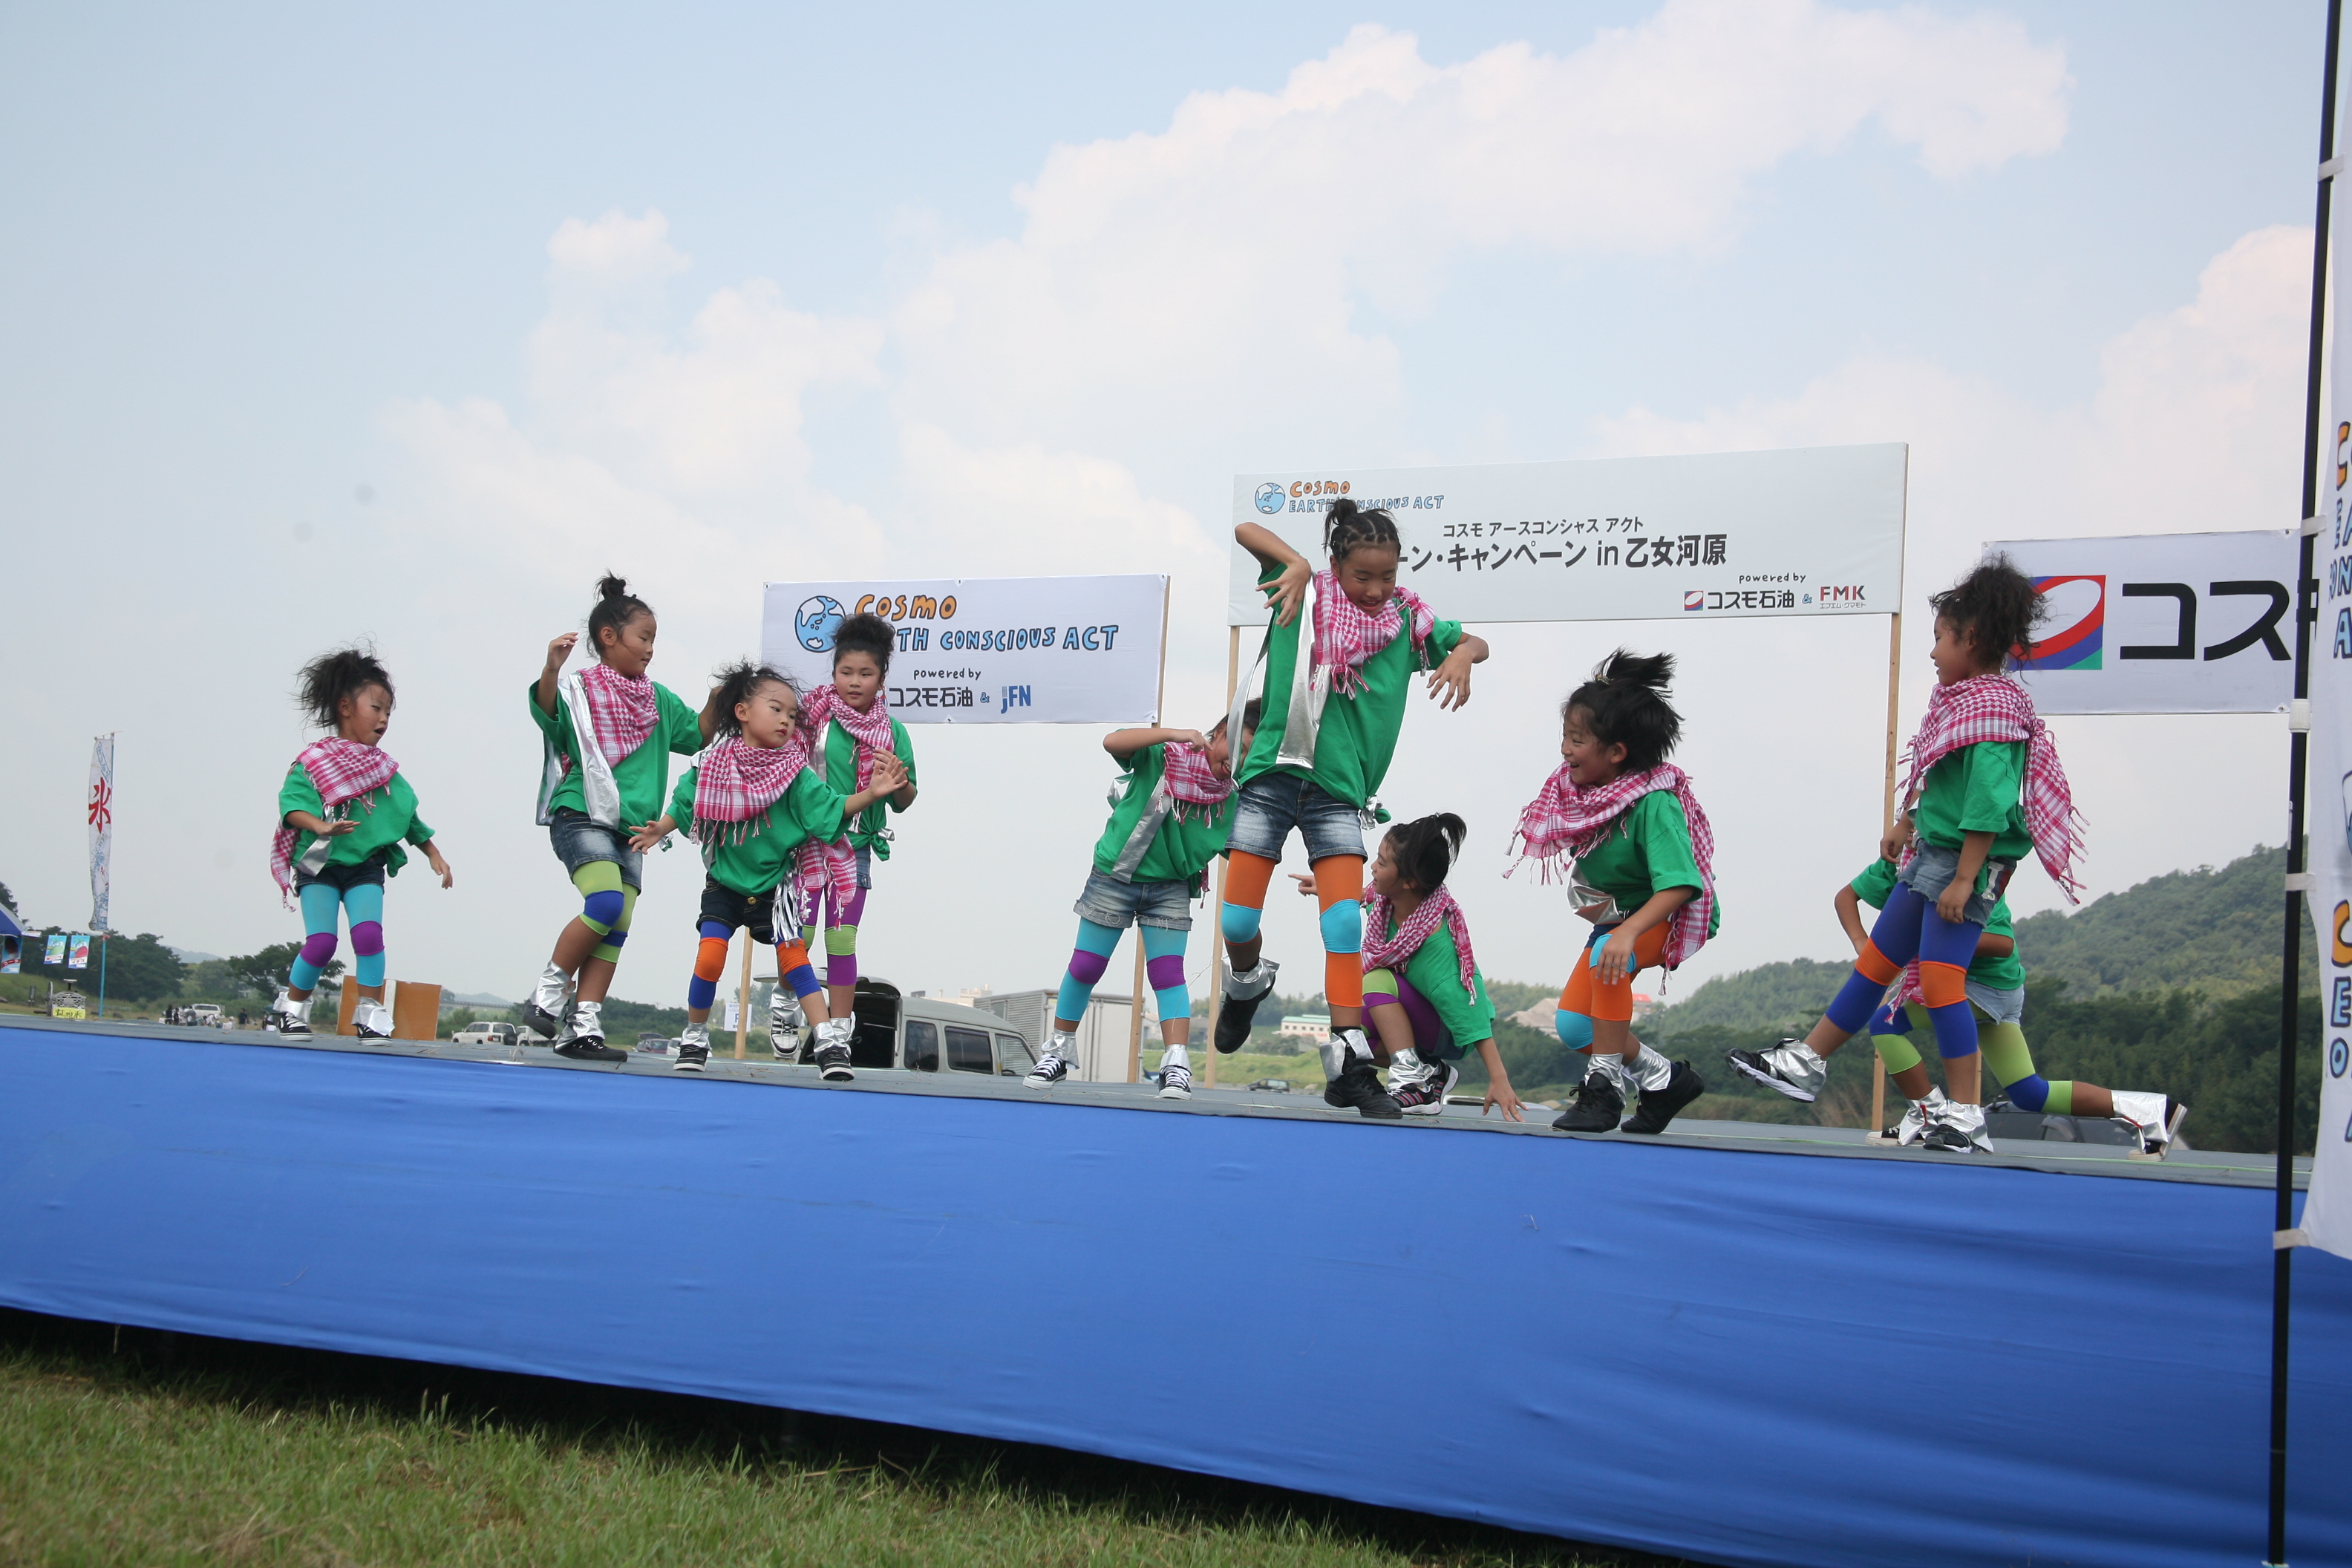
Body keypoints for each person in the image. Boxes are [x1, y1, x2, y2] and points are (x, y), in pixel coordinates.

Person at [1727, 555, 2084, 1153]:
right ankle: (1807, 1061)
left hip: (1962, 864)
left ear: (1972, 639)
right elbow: (1946, 785)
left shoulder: (1994, 712)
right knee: (1875, 964)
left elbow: (1988, 805)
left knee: (1942, 987)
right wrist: (1907, 820)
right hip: (1930, 854)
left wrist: (1965, 880)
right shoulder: (1960, 703)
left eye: (1941, 638)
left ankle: (1965, 1115)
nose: (1933, 652)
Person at [1213, 500, 1490, 1119]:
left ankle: (1348, 1062)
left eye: (1387, 576)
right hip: (1271, 777)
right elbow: (1245, 529)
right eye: (1362, 576)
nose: (1376, 589)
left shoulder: (1407, 623)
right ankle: (1247, 982)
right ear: (1336, 565)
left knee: (1342, 926)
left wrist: (1462, 655)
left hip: (1337, 793)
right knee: (1236, 922)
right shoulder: (1302, 594)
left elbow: (1477, 642)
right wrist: (1294, 563)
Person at [1760, 857, 2171, 1152]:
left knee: (1886, 1023)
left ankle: (1929, 1114)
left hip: (1989, 986)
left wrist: (1931, 942)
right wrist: (1863, 943)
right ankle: (2142, 1109)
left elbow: (2003, 943)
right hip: (1977, 990)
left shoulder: (1967, 879)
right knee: (2029, 1092)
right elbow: (1846, 897)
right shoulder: (1899, 869)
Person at [633, 662, 906, 1078]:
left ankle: (828, 1043)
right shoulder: (713, 762)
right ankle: (695, 1035)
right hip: (725, 882)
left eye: (793, 715)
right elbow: (687, 801)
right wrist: (661, 828)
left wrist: (871, 794)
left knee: (796, 959)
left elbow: (831, 808)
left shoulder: (795, 774)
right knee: (710, 958)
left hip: (775, 887)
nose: (786, 721)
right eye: (776, 710)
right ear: (742, 712)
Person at [1508, 650, 1716, 1135]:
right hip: (1617, 920)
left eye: (1577, 740)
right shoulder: (1578, 795)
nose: (1565, 750)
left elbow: (1681, 884)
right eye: (1565, 736)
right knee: (1575, 1026)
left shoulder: (1654, 804)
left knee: (1609, 956)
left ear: (1617, 753)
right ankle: (1666, 1080)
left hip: (1665, 915)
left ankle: (1604, 1090)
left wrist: (1627, 934)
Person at [1025, 703, 1260, 1099]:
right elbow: (1112, 742)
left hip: (1170, 888)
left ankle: (1176, 1064)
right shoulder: (1164, 755)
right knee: (1085, 966)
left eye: (1252, 757)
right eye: (1239, 748)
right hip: (1114, 877)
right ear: (1220, 732)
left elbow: (1242, 852)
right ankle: (1058, 1052)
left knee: (1168, 975)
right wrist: (1173, 733)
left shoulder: (1233, 800)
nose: (1238, 762)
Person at [526, 575, 715, 1061]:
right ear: (609, 637)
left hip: (633, 830)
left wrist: (719, 700)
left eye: (654, 640)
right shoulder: (580, 689)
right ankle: (549, 992)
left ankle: (583, 1024)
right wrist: (551, 670)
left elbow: (696, 734)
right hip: (583, 813)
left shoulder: (658, 699)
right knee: (606, 902)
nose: (650, 649)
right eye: (643, 638)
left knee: (618, 923)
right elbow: (548, 714)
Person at [267, 646, 452, 1039]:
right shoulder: (314, 762)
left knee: (368, 936)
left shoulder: (383, 769)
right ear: (346, 707)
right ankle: (292, 1007)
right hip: (319, 866)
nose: (384, 719)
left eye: (389, 712)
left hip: (365, 867)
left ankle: (370, 1012)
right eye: (377, 708)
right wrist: (320, 826)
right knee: (322, 942)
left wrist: (433, 853)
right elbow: (292, 807)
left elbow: (407, 815)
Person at [1310, 811, 1524, 1120]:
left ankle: (1414, 1082)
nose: (1373, 867)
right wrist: (1328, 888)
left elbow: (1473, 1016)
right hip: (1416, 1018)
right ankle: (1430, 1072)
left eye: (1382, 863)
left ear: (1409, 882)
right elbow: (1366, 895)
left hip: (1448, 1030)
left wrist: (1499, 1079)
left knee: (1376, 979)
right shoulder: (1388, 906)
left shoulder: (1439, 948)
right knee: (1352, 1033)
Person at [793, 612, 918, 1037]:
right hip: (807, 842)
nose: (854, 682)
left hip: (857, 844)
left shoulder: (893, 733)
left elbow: (905, 801)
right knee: (800, 933)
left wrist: (898, 780)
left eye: (866, 674)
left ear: (881, 680)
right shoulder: (812, 719)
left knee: (841, 939)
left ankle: (839, 1029)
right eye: (846, 672)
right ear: (833, 674)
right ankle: (786, 1000)